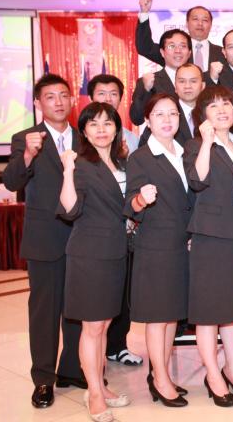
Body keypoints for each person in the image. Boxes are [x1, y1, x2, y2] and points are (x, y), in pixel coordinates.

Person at [2, 74, 83, 409]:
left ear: (72, 99)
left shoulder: (85, 137)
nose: (58, 102)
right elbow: (11, 182)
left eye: (63, 95)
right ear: (38, 103)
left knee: (79, 308)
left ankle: (72, 369)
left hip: (83, 238)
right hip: (44, 238)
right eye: (50, 97)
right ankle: (44, 379)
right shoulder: (25, 138)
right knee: (44, 312)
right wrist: (27, 155)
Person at [184, 85, 233, 408]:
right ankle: (213, 375)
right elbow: (197, 180)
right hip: (211, 238)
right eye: (213, 106)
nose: (222, 110)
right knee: (209, 311)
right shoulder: (196, 145)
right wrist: (207, 141)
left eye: (226, 104)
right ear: (202, 115)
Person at [58, 102, 130, 422]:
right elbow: (70, 209)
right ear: (84, 131)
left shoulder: (121, 161)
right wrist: (67, 171)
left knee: (104, 325)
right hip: (89, 254)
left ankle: (99, 384)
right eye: (94, 124)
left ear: (116, 128)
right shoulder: (81, 164)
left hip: (116, 251)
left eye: (108, 123)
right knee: (92, 327)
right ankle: (95, 395)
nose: (102, 129)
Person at [125, 93, 194, 408]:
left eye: (173, 114)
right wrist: (142, 199)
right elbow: (131, 204)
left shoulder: (184, 151)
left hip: (181, 245)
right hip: (156, 246)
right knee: (157, 317)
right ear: (148, 121)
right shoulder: (141, 157)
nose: (167, 120)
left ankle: (162, 374)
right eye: (159, 114)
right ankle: (159, 379)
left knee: (171, 316)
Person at [87, 74, 142, 367]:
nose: (108, 99)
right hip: (96, 234)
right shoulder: (84, 143)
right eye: (101, 93)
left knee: (125, 292)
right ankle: (91, 356)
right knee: (96, 302)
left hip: (128, 231)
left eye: (113, 94)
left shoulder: (131, 139)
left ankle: (118, 346)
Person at [137, 0, 226, 73]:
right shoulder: (173, 51)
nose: (200, 23)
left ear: (211, 25)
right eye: (195, 19)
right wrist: (144, 13)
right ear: (187, 23)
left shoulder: (223, 53)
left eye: (205, 20)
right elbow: (145, 48)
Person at [130, 29, 192, 125]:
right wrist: (146, 90)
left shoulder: (200, 80)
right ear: (162, 52)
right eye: (171, 46)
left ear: (189, 53)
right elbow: (137, 119)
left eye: (183, 46)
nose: (178, 51)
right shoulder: (149, 81)